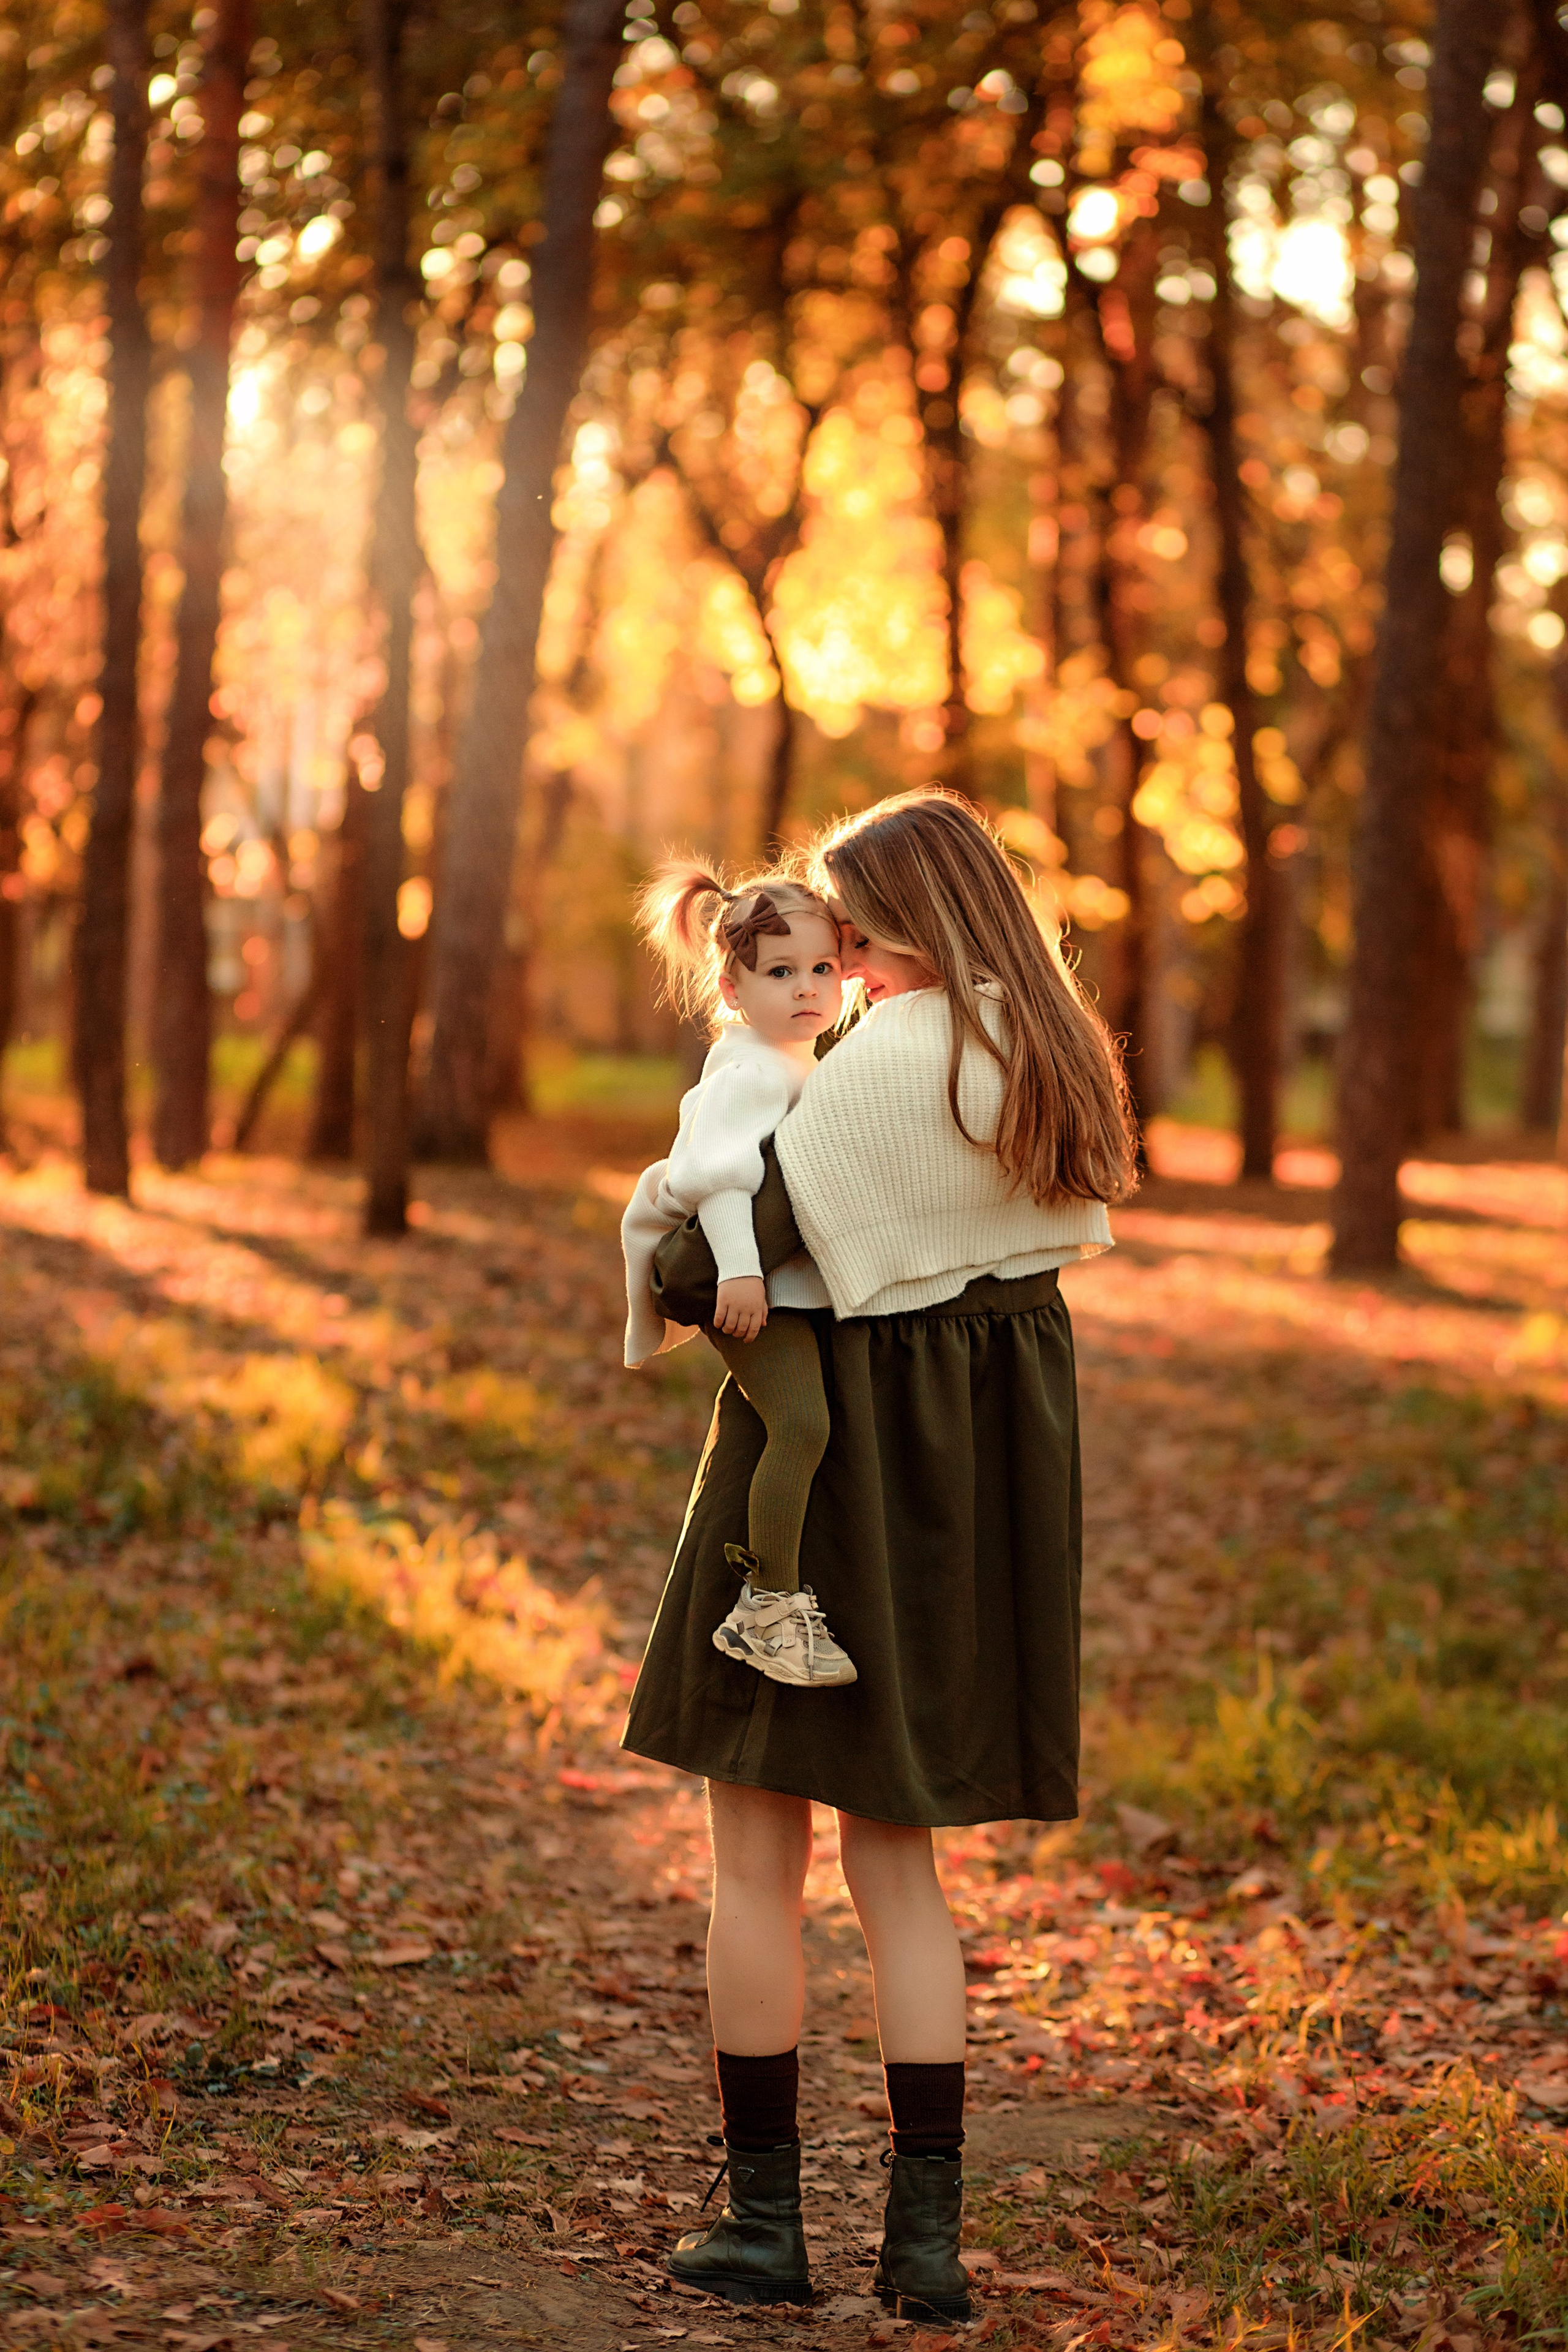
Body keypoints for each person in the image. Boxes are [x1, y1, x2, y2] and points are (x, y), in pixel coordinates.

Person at [623, 790, 1137, 2321]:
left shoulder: (878, 1067)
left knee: (755, 1858)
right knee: (899, 1870)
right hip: (961, 1491)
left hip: (830, 1471)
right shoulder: (1039, 1050)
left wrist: (671, 1214)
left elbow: (705, 1261)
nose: (832, 953)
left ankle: (766, 2226)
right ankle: (923, 2251)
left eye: (849, 926)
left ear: (901, 920)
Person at [621, 860, 858, 1689]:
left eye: (824, 969)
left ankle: (774, 1590)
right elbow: (721, 1176)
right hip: (743, 1286)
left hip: (773, 1284)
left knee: (798, 1426)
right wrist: (744, 1275)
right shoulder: (753, 1067)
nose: (808, 989)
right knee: (802, 1426)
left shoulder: (796, 1061)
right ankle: (766, 1607)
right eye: (781, 972)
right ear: (731, 986)